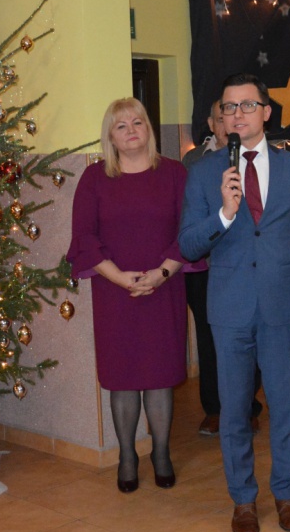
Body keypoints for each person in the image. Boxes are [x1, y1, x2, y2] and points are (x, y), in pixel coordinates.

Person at [179, 73, 290, 532]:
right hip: (229, 309)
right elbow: (188, 245)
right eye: (229, 107)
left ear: (266, 112)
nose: (237, 114)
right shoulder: (203, 172)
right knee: (234, 410)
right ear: (221, 117)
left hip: (283, 307)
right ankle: (243, 499)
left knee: (285, 407)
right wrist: (223, 215)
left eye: (247, 105)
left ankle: (286, 493)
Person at [67, 97, 198, 494]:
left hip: (163, 288)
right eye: (121, 125)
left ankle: (161, 453)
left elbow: (188, 231)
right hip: (114, 294)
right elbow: (84, 238)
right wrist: (120, 279)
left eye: (137, 122)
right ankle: (127, 456)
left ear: (148, 128)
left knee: (159, 378)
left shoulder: (174, 173)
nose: (131, 130)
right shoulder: (94, 178)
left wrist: (160, 274)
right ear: (110, 136)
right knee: (122, 379)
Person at [182, 100, 263, 437]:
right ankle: (214, 408)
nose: (228, 121)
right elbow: (189, 219)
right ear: (212, 123)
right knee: (210, 339)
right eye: (221, 117)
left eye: (233, 114)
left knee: (251, 336)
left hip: (245, 267)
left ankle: (248, 405)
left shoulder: (258, 160)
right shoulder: (195, 163)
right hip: (204, 268)